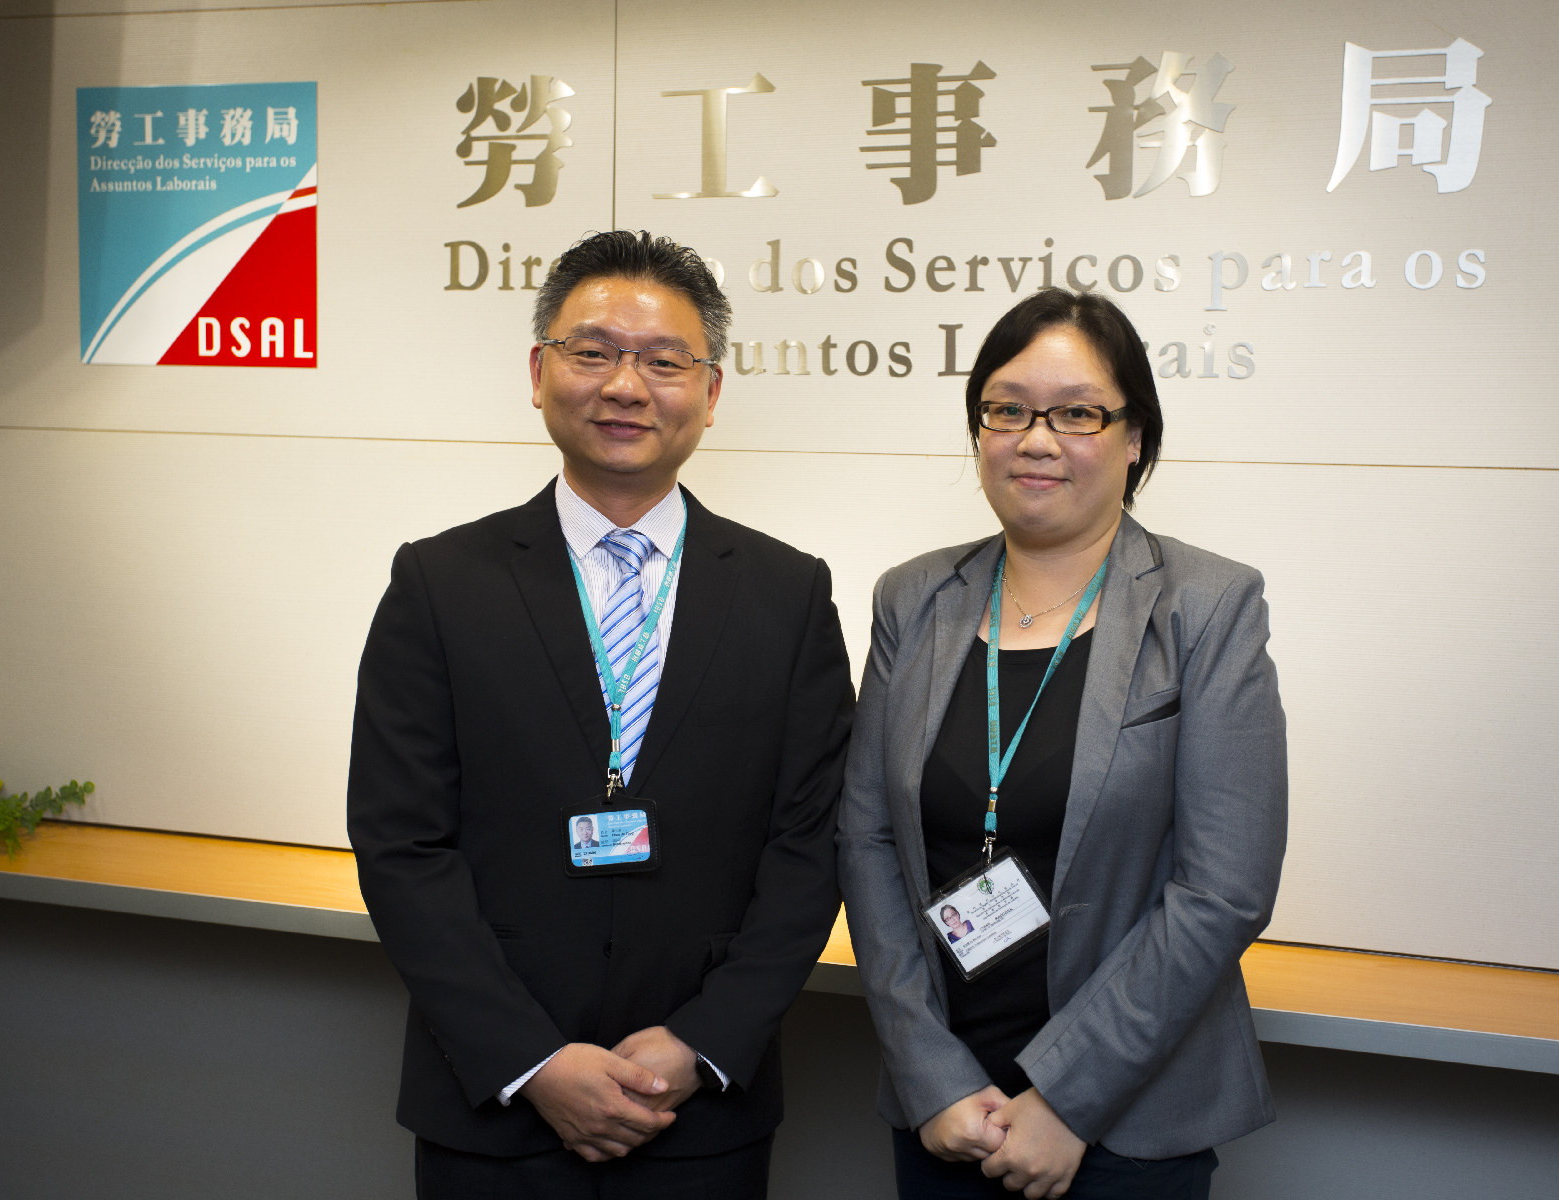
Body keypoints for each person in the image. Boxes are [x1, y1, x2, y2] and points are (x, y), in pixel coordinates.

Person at [349, 230, 853, 1199]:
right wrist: (531, 1060)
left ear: (710, 392)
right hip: (494, 1111)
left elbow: (813, 843)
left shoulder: (788, 593)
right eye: (594, 352)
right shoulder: (439, 583)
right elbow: (400, 842)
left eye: (664, 361)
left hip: (703, 1114)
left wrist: (704, 1041)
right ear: (539, 373)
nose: (626, 385)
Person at [837, 289, 1288, 1200]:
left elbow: (1224, 889)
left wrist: (1065, 1100)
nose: (1036, 440)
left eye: (1077, 413)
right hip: (947, 1110)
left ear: (1134, 437)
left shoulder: (1207, 606)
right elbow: (868, 838)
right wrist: (933, 1075)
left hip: (1126, 1115)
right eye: (1007, 410)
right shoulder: (913, 600)